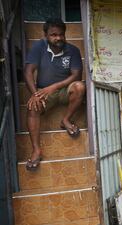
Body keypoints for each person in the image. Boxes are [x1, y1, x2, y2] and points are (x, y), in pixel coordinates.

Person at [24, 18, 85, 171]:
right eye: (53, 35)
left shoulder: (73, 50)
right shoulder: (38, 47)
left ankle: (65, 120)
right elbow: (28, 72)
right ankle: (36, 150)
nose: (58, 38)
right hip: (44, 92)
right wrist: (35, 94)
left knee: (79, 87)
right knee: (32, 107)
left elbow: (76, 75)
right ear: (45, 35)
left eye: (61, 34)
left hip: (64, 90)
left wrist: (55, 87)